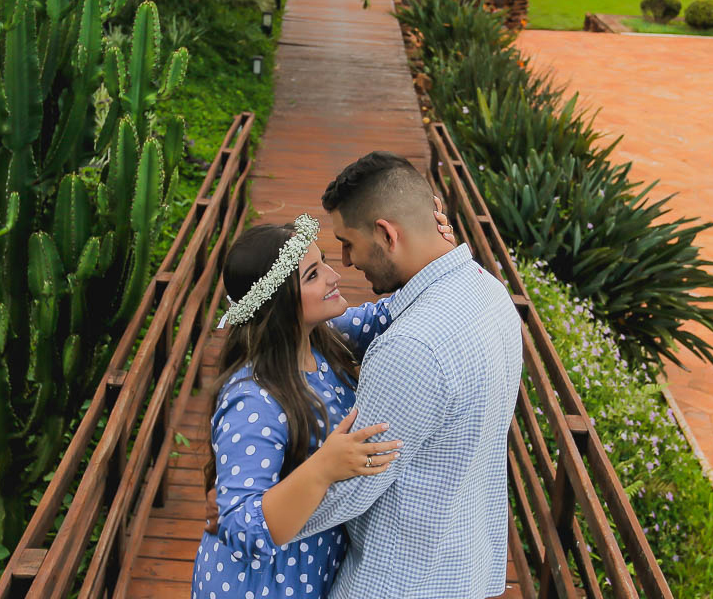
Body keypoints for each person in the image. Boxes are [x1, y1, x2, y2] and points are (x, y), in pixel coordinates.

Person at [191, 200, 456, 599]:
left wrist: (437, 249)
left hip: (313, 570)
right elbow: (240, 526)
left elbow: (393, 312)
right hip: (263, 587)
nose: (335, 276)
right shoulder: (253, 397)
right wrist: (322, 470)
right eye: (314, 274)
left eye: (324, 263)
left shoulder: (324, 334)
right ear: (280, 302)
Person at [293, 151, 522, 598]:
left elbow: (355, 484)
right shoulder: (489, 291)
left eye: (348, 242)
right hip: (463, 564)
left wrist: (253, 515)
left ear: (385, 234)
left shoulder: (412, 348)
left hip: (401, 579)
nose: (346, 260)